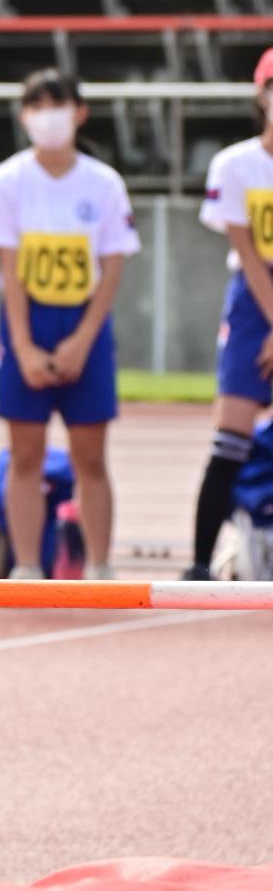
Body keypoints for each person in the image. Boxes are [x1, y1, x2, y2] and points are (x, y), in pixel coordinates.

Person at [0, 68, 140, 580]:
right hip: (28, 322)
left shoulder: (104, 183)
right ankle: (25, 566)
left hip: (85, 324)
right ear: (24, 116)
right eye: (37, 105)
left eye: (58, 104)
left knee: (91, 456)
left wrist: (83, 341)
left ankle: (101, 565)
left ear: (79, 112)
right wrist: (21, 345)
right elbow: (10, 271)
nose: (49, 116)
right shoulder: (6, 182)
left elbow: (112, 267)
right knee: (26, 454)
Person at [185, 45, 273, 579]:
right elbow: (245, 251)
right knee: (230, 439)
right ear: (261, 95)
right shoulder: (236, 165)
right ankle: (198, 563)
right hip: (253, 299)